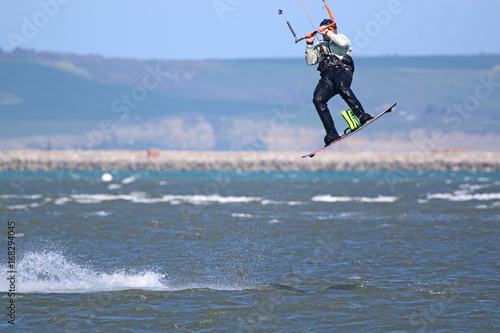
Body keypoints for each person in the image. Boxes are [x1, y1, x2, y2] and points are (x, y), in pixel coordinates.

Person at [305, 19, 372, 145]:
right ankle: (331, 133)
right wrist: (309, 44)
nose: (326, 34)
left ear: (335, 29)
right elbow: (310, 61)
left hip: (342, 71)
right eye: (324, 32)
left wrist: (328, 33)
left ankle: (362, 115)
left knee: (342, 86)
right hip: (327, 77)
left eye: (329, 30)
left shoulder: (341, 38)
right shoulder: (320, 45)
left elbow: (342, 44)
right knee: (318, 99)